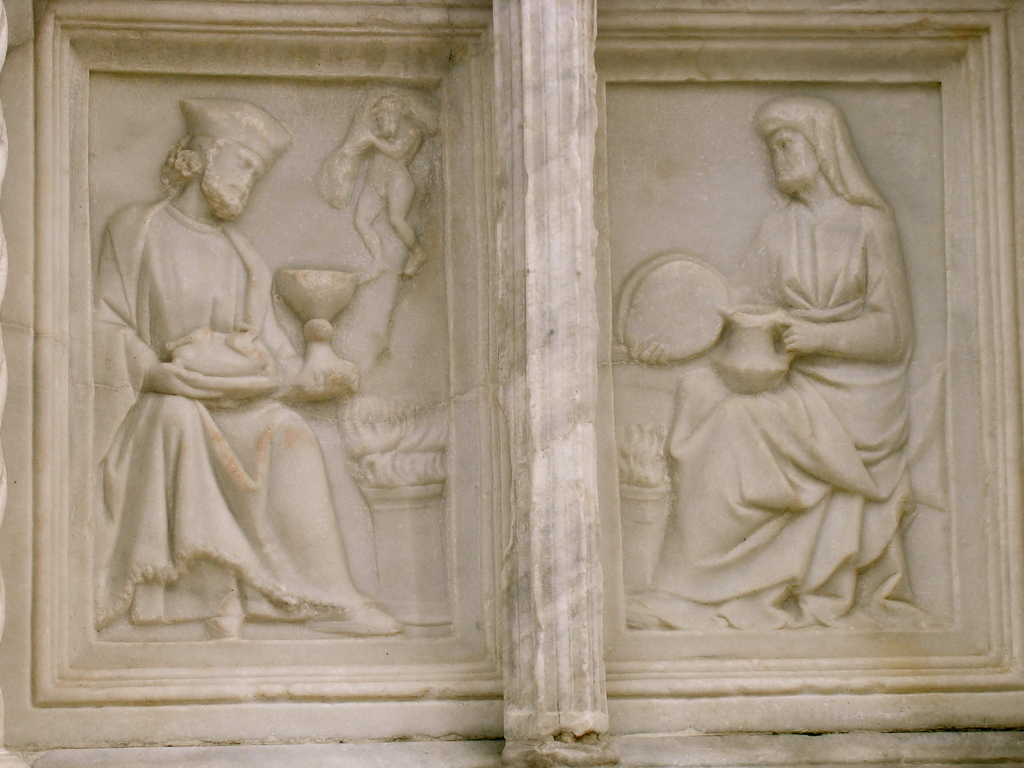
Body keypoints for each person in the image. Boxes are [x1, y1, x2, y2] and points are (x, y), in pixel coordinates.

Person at [94, 98, 400, 638]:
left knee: (290, 432)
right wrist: (152, 371)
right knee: (178, 419)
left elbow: (273, 354)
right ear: (202, 158)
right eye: (241, 165)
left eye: (257, 175)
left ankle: (324, 598)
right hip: (164, 399)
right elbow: (103, 325)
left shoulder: (243, 256)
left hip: (235, 403)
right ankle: (216, 597)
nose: (248, 183)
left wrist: (306, 374)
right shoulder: (136, 230)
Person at [628, 96, 918, 631]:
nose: (776, 160)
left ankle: (704, 588)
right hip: (793, 377)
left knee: (736, 423)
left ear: (823, 149)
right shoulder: (778, 226)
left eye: (786, 145)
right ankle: (691, 582)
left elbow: (893, 335)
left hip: (857, 393)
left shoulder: (868, 226)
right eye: (771, 149)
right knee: (697, 390)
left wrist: (818, 336)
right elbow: (733, 305)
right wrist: (668, 341)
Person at [318, 91, 437, 278]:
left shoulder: (412, 131)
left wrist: (372, 140)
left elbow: (397, 152)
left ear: (392, 114)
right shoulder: (381, 136)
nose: (380, 123)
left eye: (381, 118)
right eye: (378, 120)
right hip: (374, 182)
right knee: (361, 221)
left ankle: (417, 253)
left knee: (396, 220)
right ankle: (379, 261)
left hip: (397, 181)